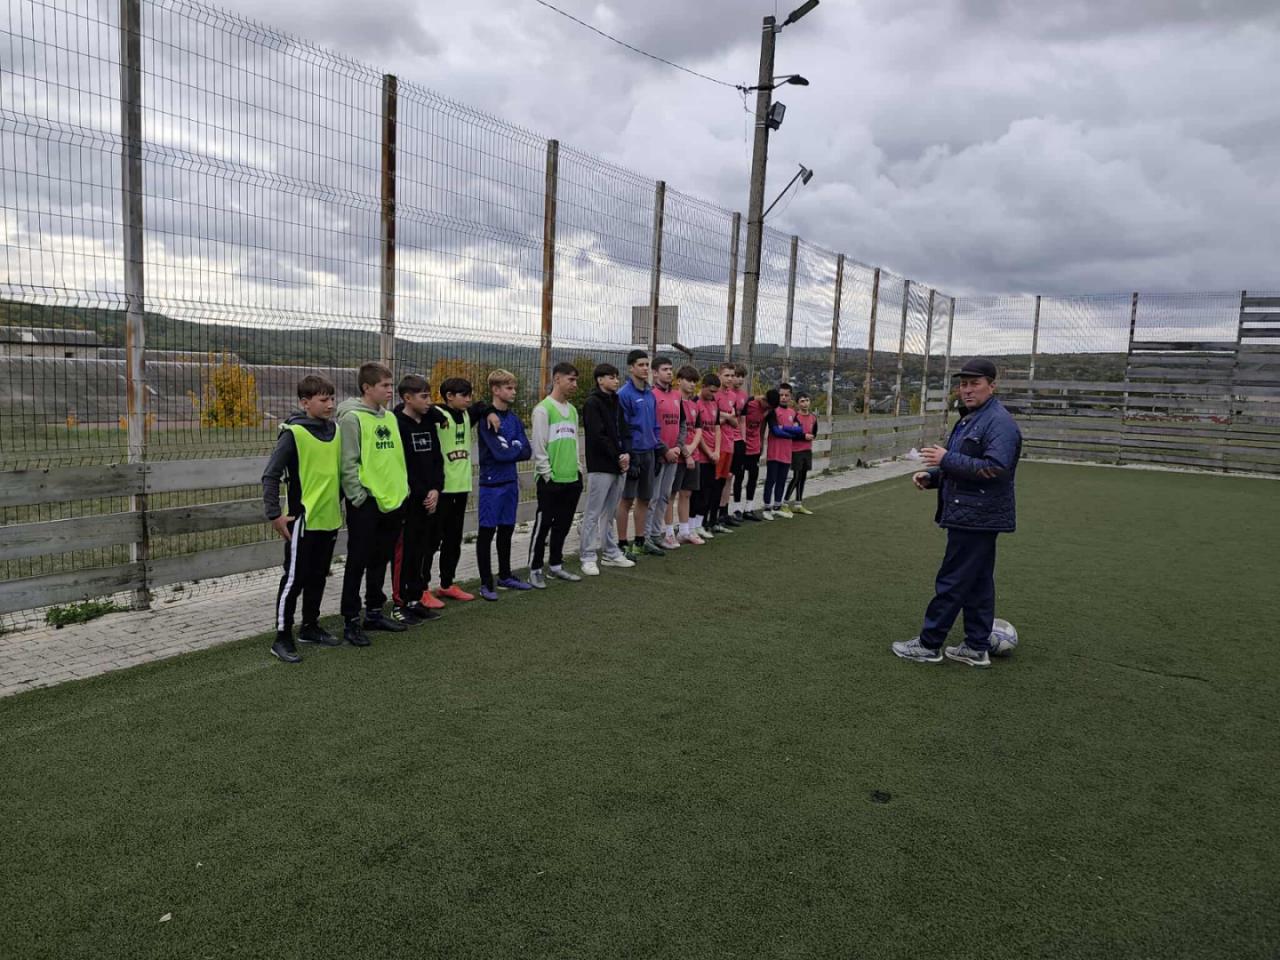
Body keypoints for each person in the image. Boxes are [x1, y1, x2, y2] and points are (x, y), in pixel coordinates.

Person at [892, 358, 1023, 669]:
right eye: (963, 384)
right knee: (977, 582)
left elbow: (996, 468)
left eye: (975, 384)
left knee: (952, 580)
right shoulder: (973, 418)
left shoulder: (998, 422)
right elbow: (968, 465)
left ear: (992, 385)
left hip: (977, 516)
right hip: (973, 513)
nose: (967, 390)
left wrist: (946, 459)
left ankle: (929, 644)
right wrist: (934, 477)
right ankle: (976, 646)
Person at [262, 374, 343, 663]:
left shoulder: (335, 430)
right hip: (303, 521)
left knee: (319, 576)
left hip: (330, 518)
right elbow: (270, 475)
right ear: (305, 403)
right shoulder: (293, 433)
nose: (330, 404)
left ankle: (310, 627)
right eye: (323, 400)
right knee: (294, 578)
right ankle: (282, 637)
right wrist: (275, 514)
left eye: (332, 398)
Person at [336, 362, 410, 646]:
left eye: (391, 385)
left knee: (381, 558)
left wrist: (403, 489)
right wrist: (358, 497)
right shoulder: (351, 418)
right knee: (358, 561)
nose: (390, 390)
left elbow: (395, 458)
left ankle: (375, 612)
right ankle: (351, 620)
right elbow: (348, 463)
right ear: (367, 388)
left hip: (393, 500)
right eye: (384, 386)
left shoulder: (389, 417)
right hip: (367, 502)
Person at [424, 377, 498, 603]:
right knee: (431, 541)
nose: (469, 399)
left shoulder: (467, 415)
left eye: (470, 395)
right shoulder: (437, 414)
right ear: (449, 396)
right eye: (464, 395)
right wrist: (436, 412)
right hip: (440, 491)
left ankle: (446, 584)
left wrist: (490, 413)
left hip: (460, 489)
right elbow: (408, 409)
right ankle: (421, 588)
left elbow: (482, 405)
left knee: (453, 540)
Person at [390, 373, 444, 625]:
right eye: (424, 396)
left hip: (430, 499)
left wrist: (436, 489)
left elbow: (436, 459)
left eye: (429, 395)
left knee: (421, 550)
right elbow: (403, 466)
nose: (429, 401)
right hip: (410, 501)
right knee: (405, 552)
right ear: (407, 398)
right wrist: (422, 492)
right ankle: (399, 603)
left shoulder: (428, 422)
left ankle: (415, 599)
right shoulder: (397, 425)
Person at [475, 369, 534, 600]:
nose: (514, 392)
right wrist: (514, 447)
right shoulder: (486, 420)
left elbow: (527, 451)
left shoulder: (515, 419)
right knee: (486, 533)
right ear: (496, 390)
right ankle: (485, 583)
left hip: (510, 482)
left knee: (507, 530)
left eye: (514, 388)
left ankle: (505, 575)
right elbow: (498, 454)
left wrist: (512, 449)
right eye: (509, 388)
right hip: (491, 485)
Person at [528, 362, 585, 588]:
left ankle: (556, 565)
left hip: (572, 478)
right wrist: (547, 474)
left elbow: (574, 443)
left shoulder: (572, 410)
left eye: (576, 380)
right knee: (543, 526)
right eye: (571, 379)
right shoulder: (543, 409)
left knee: (563, 525)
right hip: (551, 481)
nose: (575, 384)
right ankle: (534, 569)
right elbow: (539, 446)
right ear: (557, 379)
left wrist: (578, 469)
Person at [580, 363, 634, 575]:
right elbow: (598, 435)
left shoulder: (617, 401)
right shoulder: (592, 403)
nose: (616, 381)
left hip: (619, 466)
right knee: (593, 513)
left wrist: (627, 453)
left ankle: (610, 552)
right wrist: (617, 456)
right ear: (600, 380)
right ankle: (588, 556)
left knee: (610, 513)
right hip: (601, 466)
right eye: (611, 377)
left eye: (617, 377)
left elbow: (624, 430)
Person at [616, 349, 664, 560]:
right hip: (633, 454)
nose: (645, 369)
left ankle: (639, 542)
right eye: (641, 365)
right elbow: (622, 428)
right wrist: (628, 454)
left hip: (649, 453)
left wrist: (657, 449)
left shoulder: (650, 394)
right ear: (631, 368)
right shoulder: (624, 395)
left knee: (645, 498)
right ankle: (621, 544)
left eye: (647, 365)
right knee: (626, 500)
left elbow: (655, 424)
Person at [646, 355, 683, 552]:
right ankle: (645, 536)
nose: (669, 372)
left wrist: (678, 447)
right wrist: (664, 449)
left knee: (665, 496)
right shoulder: (651, 395)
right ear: (655, 373)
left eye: (670, 369)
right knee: (652, 497)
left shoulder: (677, 396)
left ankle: (656, 533)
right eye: (664, 369)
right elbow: (650, 427)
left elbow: (682, 423)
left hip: (673, 454)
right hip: (657, 455)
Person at [760, 384, 806, 520]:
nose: (784, 397)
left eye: (786, 395)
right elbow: (776, 431)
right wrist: (791, 432)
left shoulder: (793, 413)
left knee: (782, 480)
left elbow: (800, 430)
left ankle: (777, 507)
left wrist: (784, 427)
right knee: (771, 480)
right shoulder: (772, 411)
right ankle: (766, 508)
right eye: (781, 395)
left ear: (791, 396)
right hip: (774, 452)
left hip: (786, 453)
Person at [673, 365, 706, 545]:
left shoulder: (695, 405)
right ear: (679, 380)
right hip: (678, 456)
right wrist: (686, 454)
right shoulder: (674, 401)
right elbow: (675, 430)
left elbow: (698, 429)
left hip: (694, 455)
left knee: (687, 493)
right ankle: (667, 532)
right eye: (689, 380)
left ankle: (685, 531)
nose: (693, 384)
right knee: (671, 495)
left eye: (695, 381)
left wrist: (692, 448)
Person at [690, 372, 723, 540]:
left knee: (707, 491)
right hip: (700, 456)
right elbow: (698, 432)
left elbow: (717, 428)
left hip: (712, 456)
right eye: (711, 391)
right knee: (697, 491)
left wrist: (716, 450)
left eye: (715, 392)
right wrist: (708, 452)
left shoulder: (715, 404)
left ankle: (699, 524)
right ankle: (689, 526)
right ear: (703, 387)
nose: (713, 394)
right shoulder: (695, 403)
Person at [714, 362, 745, 530]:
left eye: (732, 375)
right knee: (716, 480)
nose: (730, 378)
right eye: (727, 375)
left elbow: (735, 422)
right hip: (716, 444)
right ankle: (710, 517)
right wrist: (726, 416)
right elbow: (712, 420)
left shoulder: (733, 396)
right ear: (719, 375)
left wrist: (725, 416)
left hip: (730, 443)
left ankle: (723, 513)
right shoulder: (714, 394)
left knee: (728, 477)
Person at [735, 389, 769, 520]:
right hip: (743, 446)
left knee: (753, 477)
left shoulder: (769, 410)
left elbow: (763, 425)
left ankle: (748, 508)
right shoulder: (750, 404)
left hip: (755, 448)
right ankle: (737, 508)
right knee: (739, 476)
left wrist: (761, 444)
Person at [784, 391, 818, 515]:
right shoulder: (795, 417)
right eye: (802, 401)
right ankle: (784, 503)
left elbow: (814, 432)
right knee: (796, 477)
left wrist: (811, 436)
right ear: (798, 403)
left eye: (807, 400)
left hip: (807, 450)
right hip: (796, 451)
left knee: (803, 477)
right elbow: (792, 433)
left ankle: (798, 504)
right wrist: (804, 436)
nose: (805, 403)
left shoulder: (813, 417)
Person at [728, 362, 753, 520]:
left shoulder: (744, 396)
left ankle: (737, 508)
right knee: (726, 477)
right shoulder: (726, 394)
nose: (739, 379)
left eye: (742, 376)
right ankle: (720, 510)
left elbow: (743, 420)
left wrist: (743, 439)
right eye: (736, 376)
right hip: (726, 439)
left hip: (738, 441)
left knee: (739, 474)